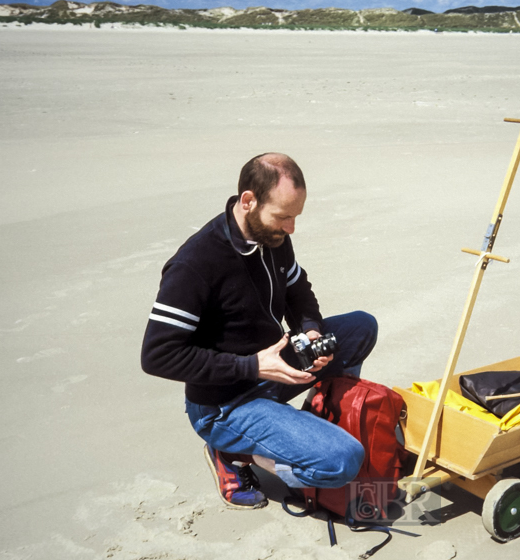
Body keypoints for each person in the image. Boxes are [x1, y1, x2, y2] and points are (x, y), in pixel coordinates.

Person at [141, 153, 378, 509]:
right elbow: (157, 355)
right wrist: (250, 366)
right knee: (342, 462)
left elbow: (298, 292)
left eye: (295, 217)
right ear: (248, 201)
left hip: (271, 366)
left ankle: (310, 425)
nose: (291, 228)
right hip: (224, 404)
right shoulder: (195, 264)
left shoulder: (272, 238)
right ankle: (233, 453)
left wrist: (310, 330)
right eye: (283, 216)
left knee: (361, 326)